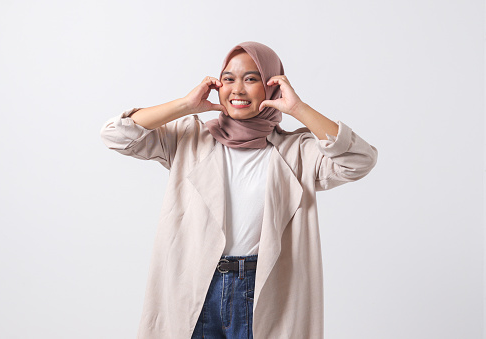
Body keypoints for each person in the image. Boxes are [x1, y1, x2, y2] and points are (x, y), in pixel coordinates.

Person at [100, 41, 378, 339]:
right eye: (229, 78)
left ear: (272, 87)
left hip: (264, 291)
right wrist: (185, 105)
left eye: (251, 78)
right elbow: (116, 135)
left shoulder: (297, 151)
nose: (237, 89)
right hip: (196, 285)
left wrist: (299, 109)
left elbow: (359, 160)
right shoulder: (190, 138)